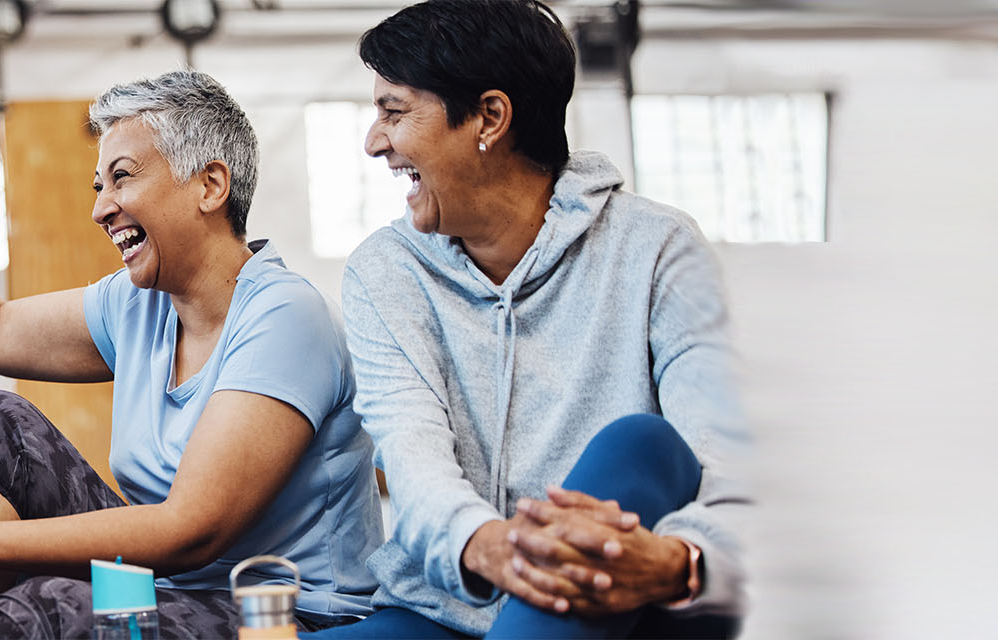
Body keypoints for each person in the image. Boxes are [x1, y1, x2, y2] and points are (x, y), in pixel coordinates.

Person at [0, 61, 386, 639]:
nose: (100, 207)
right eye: (99, 186)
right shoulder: (138, 305)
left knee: (50, 604)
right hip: (169, 593)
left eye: (122, 177)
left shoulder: (286, 317)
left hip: (291, 612)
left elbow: (193, 530)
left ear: (210, 186)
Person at [305, 1, 749, 638]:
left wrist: (683, 560)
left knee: (642, 444)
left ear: (490, 116)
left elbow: (723, 460)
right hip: (446, 606)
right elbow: (412, 459)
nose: (374, 141)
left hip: (612, 601)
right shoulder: (384, 271)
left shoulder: (657, 250)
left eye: (393, 111)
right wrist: (492, 546)